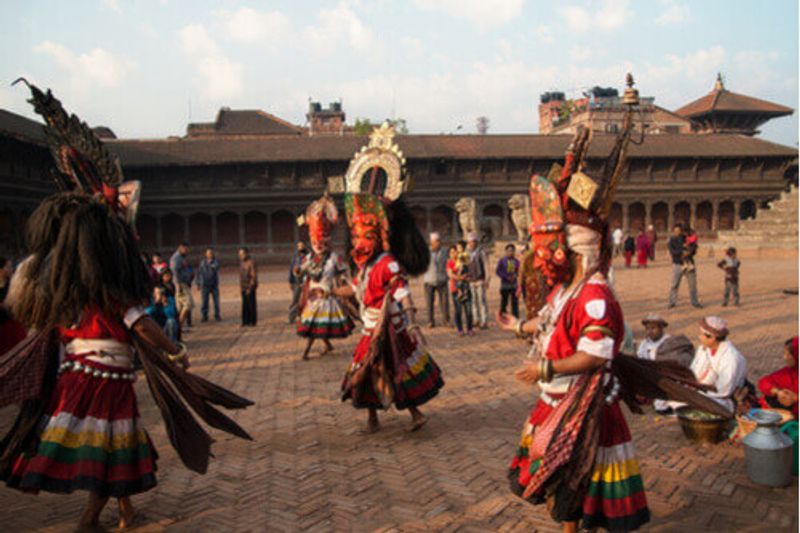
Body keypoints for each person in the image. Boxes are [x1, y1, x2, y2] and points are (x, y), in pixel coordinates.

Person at [337, 127, 444, 433]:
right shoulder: (366, 267)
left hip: (390, 327)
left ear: (381, 237)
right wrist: (331, 291)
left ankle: (414, 414)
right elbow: (358, 290)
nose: (360, 242)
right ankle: (373, 417)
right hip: (370, 326)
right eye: (356, 236)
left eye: (366, 236)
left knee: (394, 371)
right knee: (368, 371)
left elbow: (401, 292)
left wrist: (411, 320)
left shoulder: (387, 263)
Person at [296, 195, 353, 360]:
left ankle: (306, 352)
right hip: (312, 295)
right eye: (315, 241)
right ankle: (327, 345)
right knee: (317, 326)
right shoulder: (309, 258)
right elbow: (300, 271)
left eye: (321, 241)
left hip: (327, 295)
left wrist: (344, 285)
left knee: (314, 326)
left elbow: (344, 272)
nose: (318, 244)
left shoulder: (335, 258)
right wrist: (297, 271)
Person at [690, 316, 748, 413]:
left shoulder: (731, 358)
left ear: (712, 338)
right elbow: (694, 371)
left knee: (701, 402)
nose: (699, 337)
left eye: (702, 335)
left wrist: (698, 393)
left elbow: (724, 390)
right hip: (703, 388)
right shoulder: (703, 349)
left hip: (724, 397)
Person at [637, 313, 671, 413]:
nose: (650, 331)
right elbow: (640, 358)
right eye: (647, 328)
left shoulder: (668, 342)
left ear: (661, 328)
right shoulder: (645, 343)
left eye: (653, 328)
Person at [759, 337, 798, 418]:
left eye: (789, 354)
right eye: (784, 353)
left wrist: (796, 398)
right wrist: (778, 392)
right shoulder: (789, 371)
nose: (785, 357)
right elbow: (764, 382)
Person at [668, 224, 701, 308]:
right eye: (675, 231)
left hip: (689, 263)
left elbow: (694, 248)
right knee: (674, 284)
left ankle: (695, 302)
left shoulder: (686, 238)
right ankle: (672, 302)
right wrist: (682, 252)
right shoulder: (672, 240)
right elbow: (673, 252)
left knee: (692, 284)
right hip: (678, 264)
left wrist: (690, 252)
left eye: (678, 231)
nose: (677, 233)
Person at [423, 232, 450, 328]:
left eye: (439, 241)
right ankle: (430, 321)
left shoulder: (445, 251)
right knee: (429, 303)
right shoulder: (426, 252)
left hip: (442, 279)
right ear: (431, 242)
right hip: (429, 280)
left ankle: (446, 320)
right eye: (436, 241)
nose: (438, 243)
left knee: (444, 302)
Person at [446, 243, 473, 336]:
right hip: (455, 289)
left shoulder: (463, 260)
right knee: (458, 311)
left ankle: (470, 328)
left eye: (455, 252)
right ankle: (460, 329)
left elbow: (470, 270)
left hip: (466, 288)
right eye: (451, 252)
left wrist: (467, 276)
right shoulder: (449, 262)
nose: (453, 254)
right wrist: (460, 278)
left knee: (468, 310)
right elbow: (450, 275)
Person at [466, 232, 490, 329]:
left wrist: (487, 279)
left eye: (474, 241)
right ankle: (475, 319)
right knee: (473, 301)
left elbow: (486, 266)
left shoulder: (481, 252)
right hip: (470, 280)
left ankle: (484, 321)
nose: (473, 243)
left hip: (480, 279)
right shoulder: (466, 253)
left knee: (482, 301)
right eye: (471, 242)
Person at [170, 243, 195, 329]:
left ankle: (179, 326)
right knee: (187, 304)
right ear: (181, 248)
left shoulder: (182, 258)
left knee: (181, 306)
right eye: (186, 249)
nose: (187, 251)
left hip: (185, 284)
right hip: (180, 284)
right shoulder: (176, 258)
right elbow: (174, 272)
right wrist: (178, 284)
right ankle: (178, 325)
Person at [196, 247, 221, 322]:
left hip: (214, 285)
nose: (210, 254)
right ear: (205, 254)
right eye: (208, 253)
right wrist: (198, 283)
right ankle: (204, 315)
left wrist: (209, 264)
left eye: (211, 253)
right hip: (205, 285)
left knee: (216, 301)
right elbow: (199, 273)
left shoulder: (215, 262)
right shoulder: (202, 263)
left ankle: (217, 315)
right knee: (204, 302)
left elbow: (215, 267)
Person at [496, 243, 520, 318]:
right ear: (506, 251)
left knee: (514, 302)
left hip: (514, 284)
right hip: (505, 284)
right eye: (509, 251)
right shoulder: (502, 261)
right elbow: (498, 271)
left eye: (512, 251)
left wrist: (515, 275)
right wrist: (506, 277)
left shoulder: (517, 262)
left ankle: (515, 316)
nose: (510, 252)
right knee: (504, 301)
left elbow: (519, 271)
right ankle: (503, 315)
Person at [288, 241, 308, 323]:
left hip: (306, 281)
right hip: (296, 281)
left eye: (301, 245)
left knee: (306, 300)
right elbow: (291, 269)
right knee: (295, 300)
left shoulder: (309, 256)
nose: (300, 247)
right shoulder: (295, 256)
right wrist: (290, 281)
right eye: (298, 246)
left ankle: (305, 317)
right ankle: (291, 318)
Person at [239, 247, 258, 327]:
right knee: (244, 305)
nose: (241, 256)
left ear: (246, 253)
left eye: (242, 254)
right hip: (243, 286)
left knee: (251, 305)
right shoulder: (242, 263)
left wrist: (250, 287)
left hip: (250, 286)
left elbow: (253, 276)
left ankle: (252, 321)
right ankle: (245, 321)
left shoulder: (251, 263)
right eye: (240, 254)